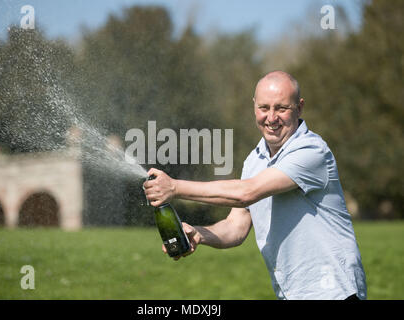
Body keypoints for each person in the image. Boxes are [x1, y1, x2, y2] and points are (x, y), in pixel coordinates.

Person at [143, 71, 367, 300]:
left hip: (334, 291)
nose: (271, 118)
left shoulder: (311, 151)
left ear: (299, 108)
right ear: (254, 107)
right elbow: (236, 227)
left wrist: (175, 188)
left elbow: (247, 193)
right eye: (264, 108)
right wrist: (200, 234)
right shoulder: (254, 160)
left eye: (281, 108)